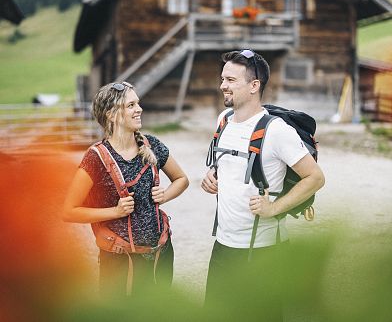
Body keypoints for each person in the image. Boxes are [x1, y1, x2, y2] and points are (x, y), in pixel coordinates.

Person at [201, 50, 325, 320]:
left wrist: (273, 208)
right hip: (223, 244)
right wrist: (212, 176)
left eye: (231, 80)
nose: (223, 85)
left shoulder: (278, 130)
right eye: (223, 78)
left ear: (254, 86)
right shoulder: (223, 120)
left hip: (264, 250)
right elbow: (224, 164)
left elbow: (315, 178)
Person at [63, 81, 189, 296]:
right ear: (111, 114)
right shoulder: (96, 158)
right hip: (119, 261)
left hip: (161, 253)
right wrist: (116, 212)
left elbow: (182, 179)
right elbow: (69, 211)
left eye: (137, 103)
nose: (139, 109)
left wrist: (165, 195)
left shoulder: (152, 145)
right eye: (130, 105)